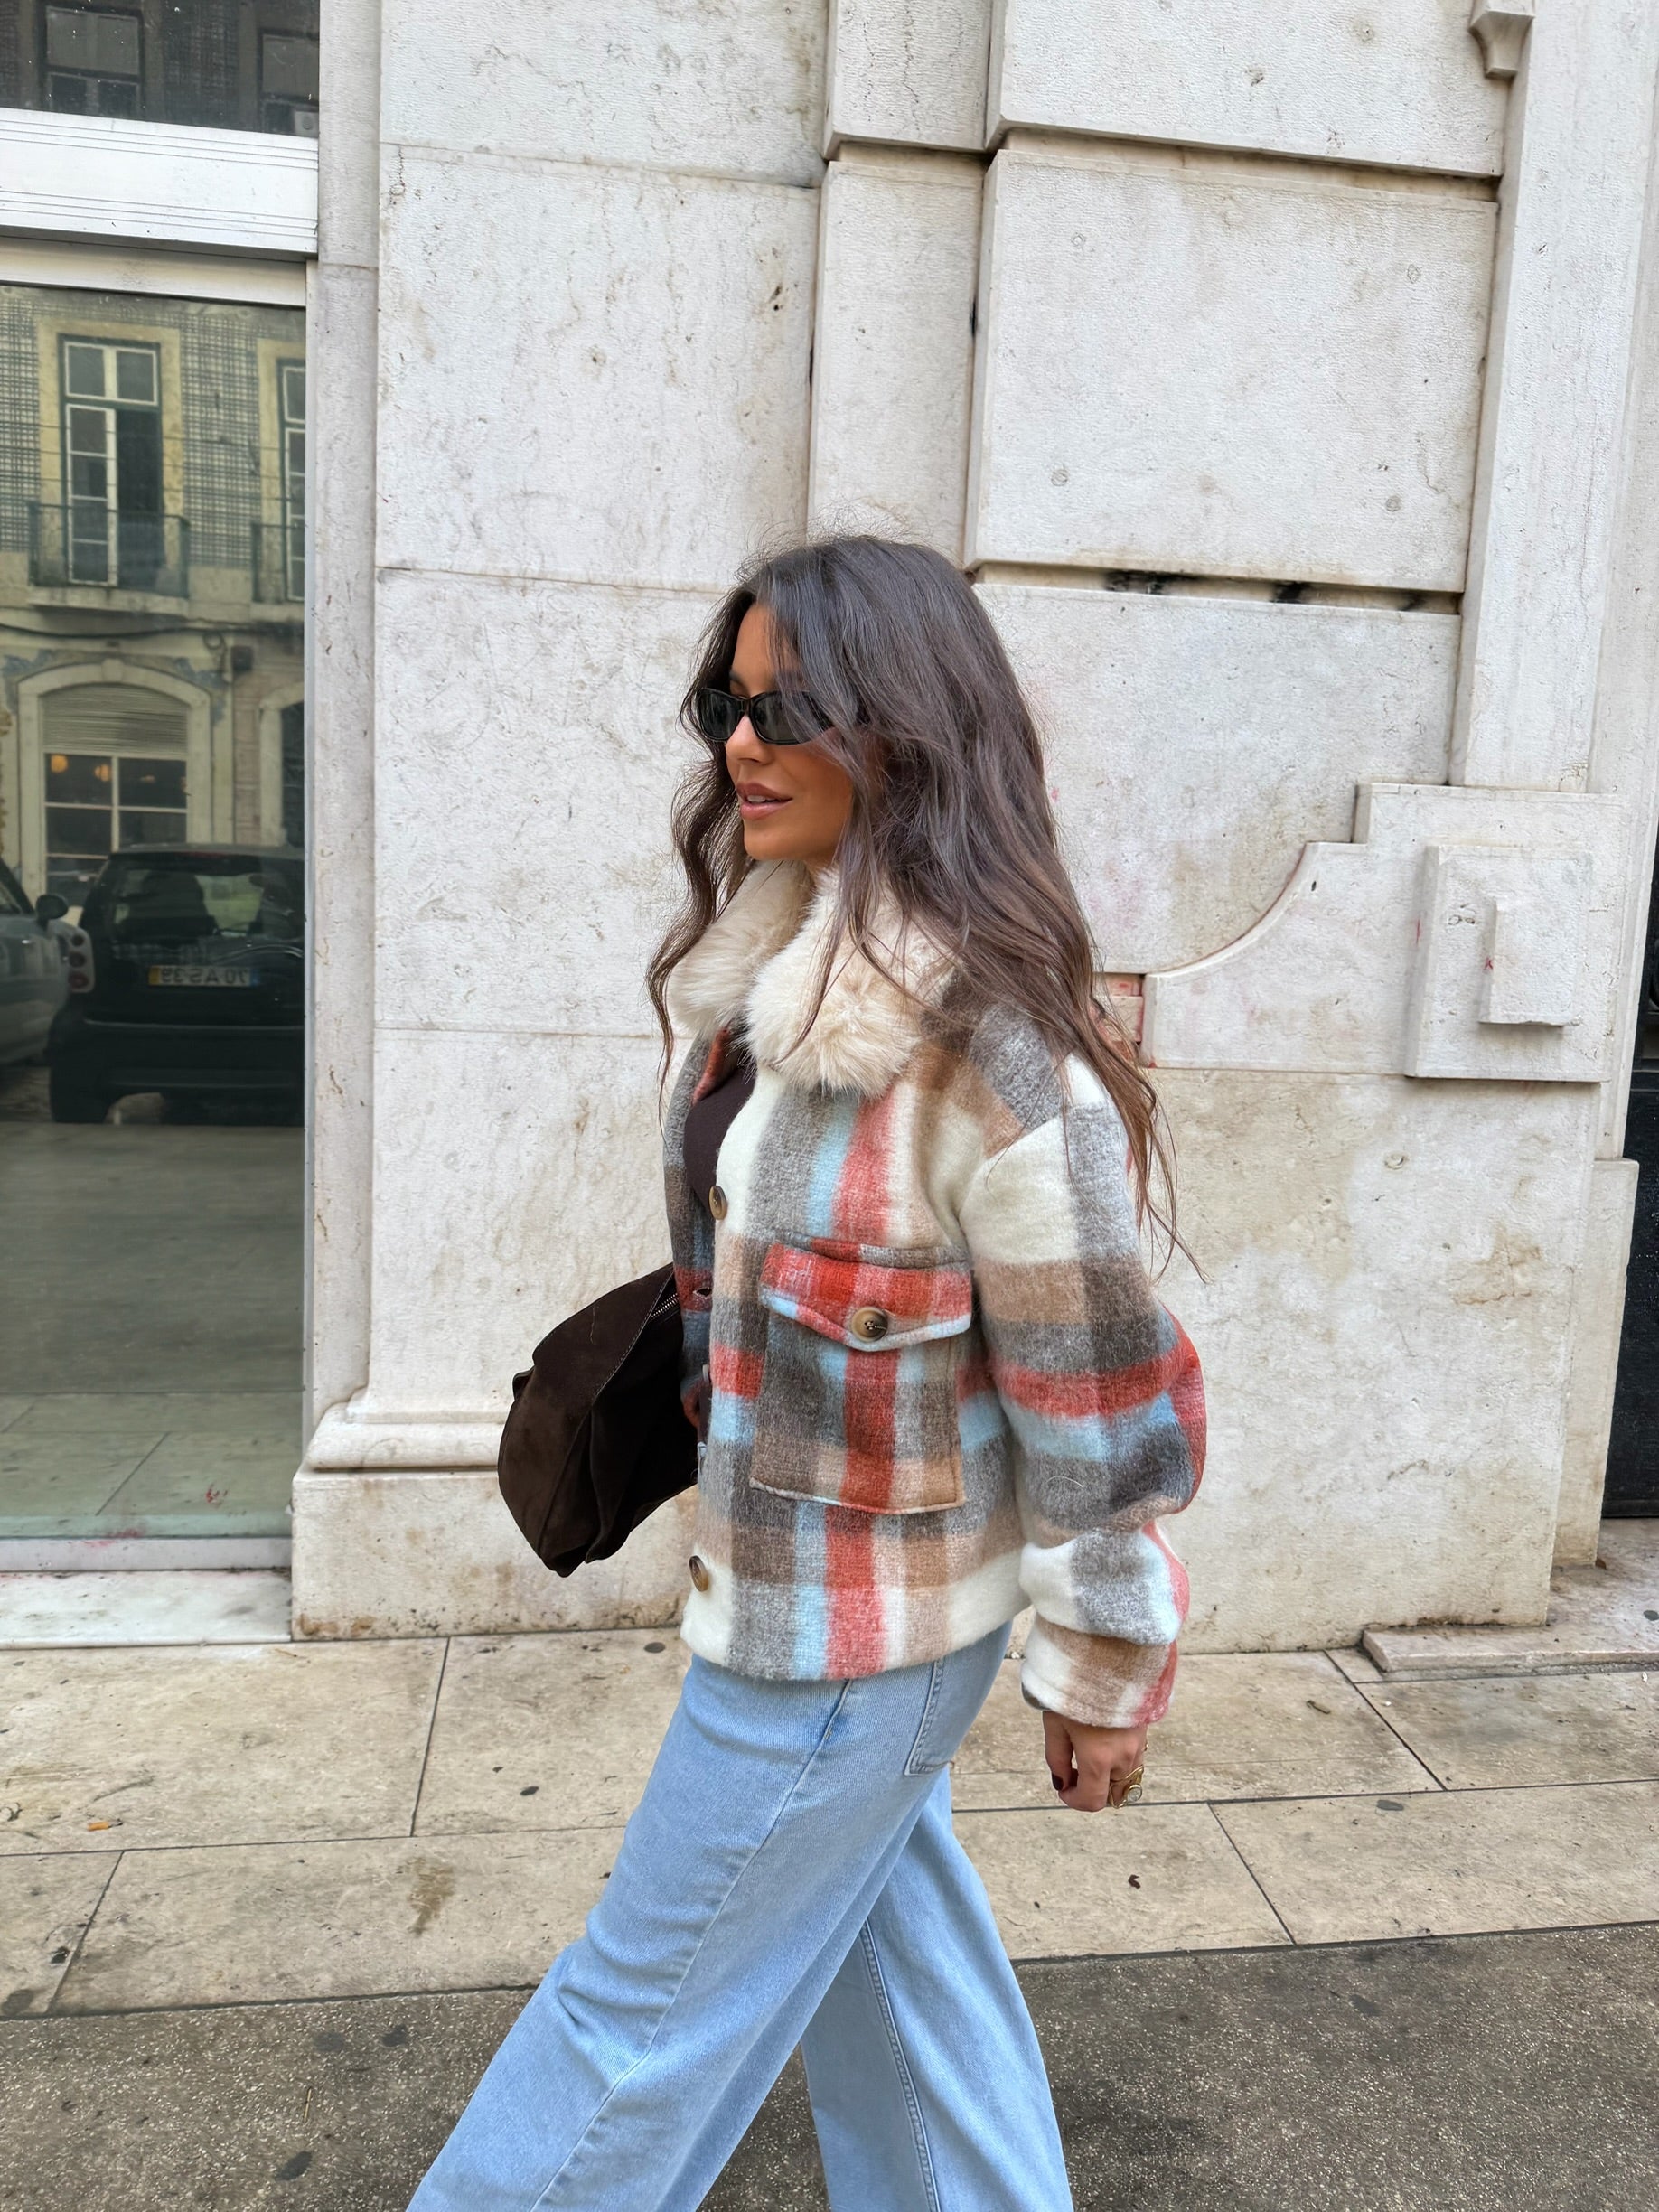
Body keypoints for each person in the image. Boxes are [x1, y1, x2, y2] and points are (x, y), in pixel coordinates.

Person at [409, 536, 1205, 2211]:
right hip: (785, 1585)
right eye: (728, 700)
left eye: (786, 709)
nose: (738, 746)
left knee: (632, 2027)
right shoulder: (758, 997)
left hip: (849, 1643)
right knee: (904, 2000)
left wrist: (1104, 1665)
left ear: (904, 729)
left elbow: (1094, 1393)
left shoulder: (994, 1059)